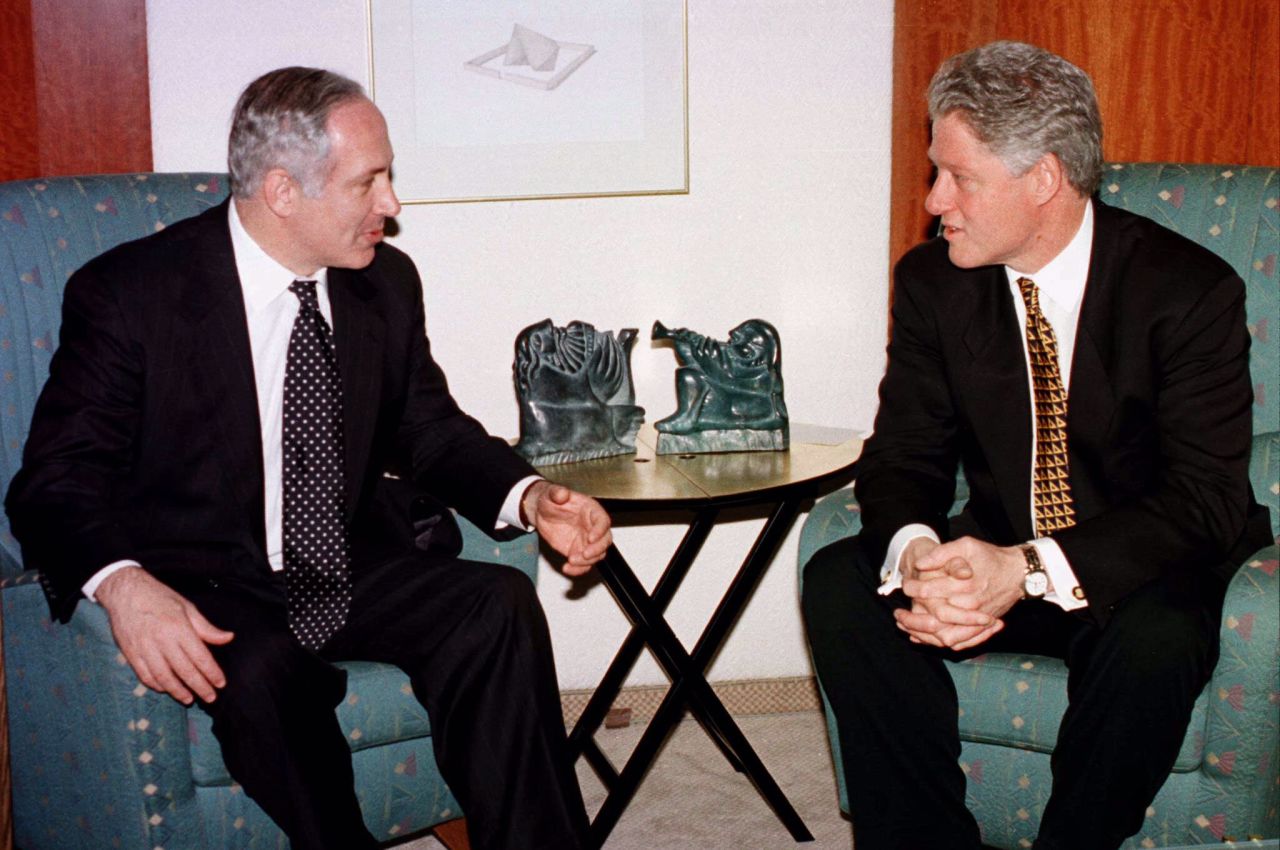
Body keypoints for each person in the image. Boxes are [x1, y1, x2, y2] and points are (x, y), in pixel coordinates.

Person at [5, 66, 611, 850]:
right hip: (204, 576)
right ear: (284, 190)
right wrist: (124, 587)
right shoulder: (133, 295)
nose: (392, 205)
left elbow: (426, 428)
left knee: (493, 605)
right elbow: (54, 481)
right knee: (259, 671)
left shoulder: (382, 284)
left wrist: (529, 496)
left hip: (342, 558)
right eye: (370, 182)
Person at [802, 41, 1271, 850]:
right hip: (995, 546)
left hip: (1138, 569)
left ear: (1044, 179)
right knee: (842, 580)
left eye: (961, 178)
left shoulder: (1187, 291)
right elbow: (904, 452)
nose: (935, 199)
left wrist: (1022, 570)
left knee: (1158, 640)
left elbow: (1204, 498)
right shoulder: (933, 284)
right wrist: (919, 556)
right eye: (934, 171)